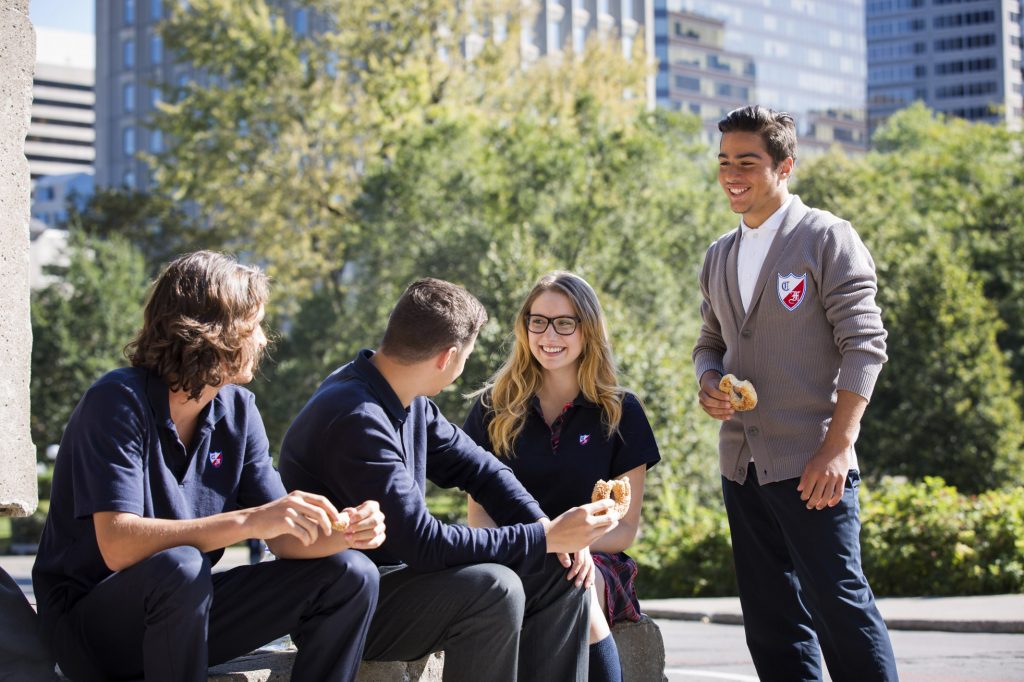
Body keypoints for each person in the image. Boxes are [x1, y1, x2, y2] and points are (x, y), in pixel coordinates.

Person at [32, 251, 386, 682]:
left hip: (181, 611)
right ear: (213, 332)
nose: (263, 340)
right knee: (180, 565)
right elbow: (118, 545)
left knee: (351, 574)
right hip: (92, 631)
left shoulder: (238, 410)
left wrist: (345, 531)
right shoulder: (116, 401)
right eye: (253, 326)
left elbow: (283, 538)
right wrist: (251, 520)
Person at [278, 277, 619, 682]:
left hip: (391, 586)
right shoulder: (357, 418)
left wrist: (547, 529)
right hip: (343, 606)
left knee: (558, 570)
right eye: (467, 357)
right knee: (495, 588)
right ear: (448, 357)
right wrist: (544, 537)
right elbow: (423, 543)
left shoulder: (407, 400)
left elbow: (483, 470)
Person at [692, 105, 899, 681]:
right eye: (724, 161)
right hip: (743, 464)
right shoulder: (719, 254)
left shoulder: (827, 237)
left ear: (785, 166)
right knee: (771, 621)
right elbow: (710, 342)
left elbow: (866, 345)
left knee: (840, 609)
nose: (733, 173)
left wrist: (836, 447)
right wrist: (709, 381)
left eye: (748, 162)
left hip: (814, 463)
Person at [462, 272, 661, 682]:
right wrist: (537, 544)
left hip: (596, 558)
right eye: (539, 321)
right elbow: (479, 517)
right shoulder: (491, 408)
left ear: (587, 329)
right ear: (525, 326)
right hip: (515, 551)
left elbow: (623, 528)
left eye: (564, 322)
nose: (549, 334)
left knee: (570, 582)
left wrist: (569, 544)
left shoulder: (621, 412)